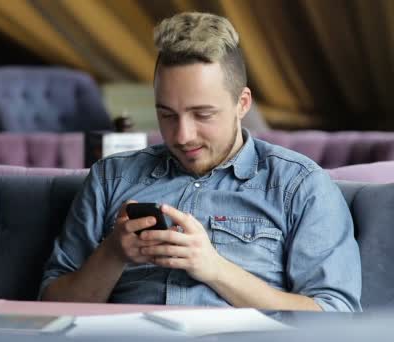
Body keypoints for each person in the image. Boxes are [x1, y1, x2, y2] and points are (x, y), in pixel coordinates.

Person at [40, 12, 361, 312]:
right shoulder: (111, 178)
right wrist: (112, 254)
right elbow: (50, 306)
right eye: (166, 114)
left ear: (242, 103)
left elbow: (334, 315)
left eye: (202, 114)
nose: (182, 135)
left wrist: (214, 268)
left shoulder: (299, 185)